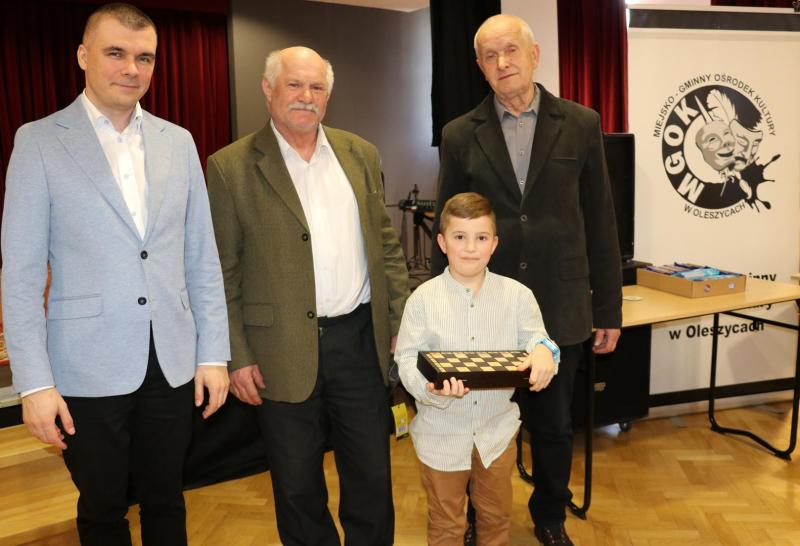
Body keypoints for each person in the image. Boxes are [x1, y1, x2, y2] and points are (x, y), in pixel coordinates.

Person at [1, 3, 230, 545]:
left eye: (144, 57)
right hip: (86, 365)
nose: (131, 68)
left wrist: (213, 354)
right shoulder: (39, 141)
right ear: (83, 56)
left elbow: (202, 258)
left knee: (167, 500)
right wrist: (35, 384)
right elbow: (21, 276)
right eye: (115, 53)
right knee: (102, 509)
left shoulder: (179, 142)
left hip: (171, 361)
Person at [206, 46, 409, 546]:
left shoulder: (360, 154)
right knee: (296, 484)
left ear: (328, 95)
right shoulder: (230, 167)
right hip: (278, 350)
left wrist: (400, 321)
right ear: (268, 88)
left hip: (359, 341)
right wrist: (237, 355)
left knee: (371, 475)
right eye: (294, 84)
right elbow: (222, 273)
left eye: (317, 87)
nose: (306, 96)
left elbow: (385, 245)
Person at [432, 14, 623, 546]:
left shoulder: (581, 123)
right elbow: (448, 226)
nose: (502, 63)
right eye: (490, 56)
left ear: (534, 54)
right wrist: (443, 308)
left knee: (554, 427)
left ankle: (550, 518)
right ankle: (478, 519)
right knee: (477, 425)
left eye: (511, 51)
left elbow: (601, 219)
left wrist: (608, 309)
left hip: (560, 304)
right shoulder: (458, 134)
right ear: (479, 67)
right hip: (482, 309)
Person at [395, 192, 560, 546]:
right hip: (440, 436)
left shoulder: (518, 296)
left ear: (494, 243)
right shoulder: (421, 300)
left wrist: (545, 352)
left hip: (495, 435)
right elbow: (406, 359)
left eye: (481, 237)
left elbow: (539, 339)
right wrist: (430, 389)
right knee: (446, 526)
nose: (471, 248)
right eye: (460, 237)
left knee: (496, 519)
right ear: (442, 243)